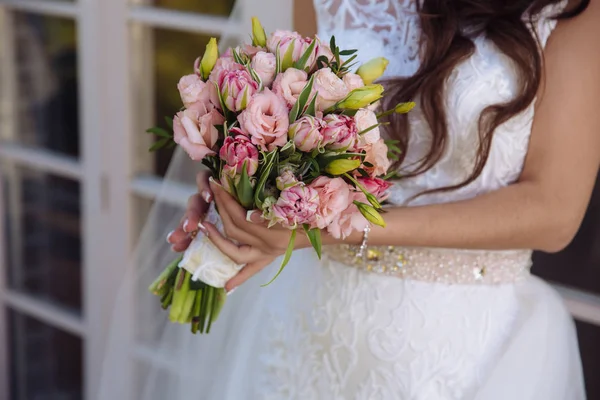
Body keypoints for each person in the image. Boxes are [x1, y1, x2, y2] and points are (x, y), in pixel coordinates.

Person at [127, 0, 599, 398]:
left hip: (461, 347)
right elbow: (288, 111)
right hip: (304, 323)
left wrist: (339, 228)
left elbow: (553, 210)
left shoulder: (573, 11)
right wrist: (236, 182)